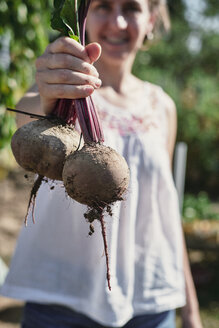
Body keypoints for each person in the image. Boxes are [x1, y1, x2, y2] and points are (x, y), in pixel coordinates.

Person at [1, 0, 203, 327]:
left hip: (151, 302)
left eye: (131, 9)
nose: (117, 22)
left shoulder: (162, 106)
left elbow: (166, 212)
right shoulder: (62, 89)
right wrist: (45, 94)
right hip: (61, 300)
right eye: (103, 6)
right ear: (86, 17)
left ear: (151, 19)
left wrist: (191, 310)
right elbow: (27, 116)